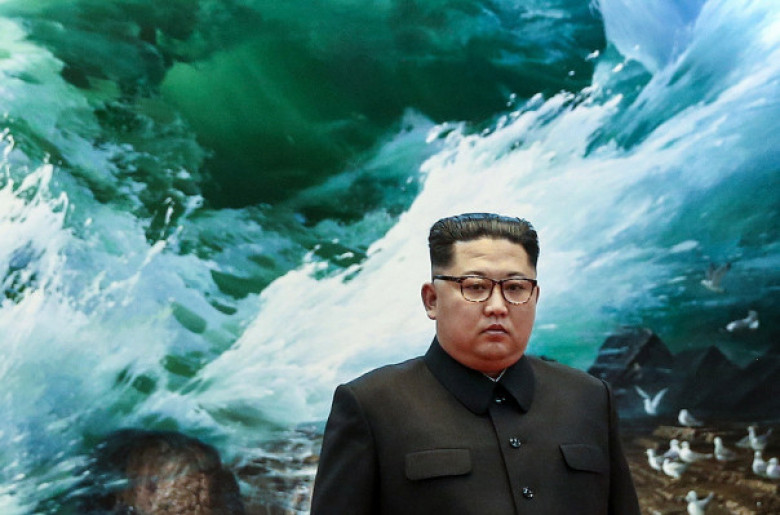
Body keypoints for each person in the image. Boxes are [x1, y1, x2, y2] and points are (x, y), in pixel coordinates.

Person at [310, 213, 640, 514]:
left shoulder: (589, 397)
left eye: (515, 288)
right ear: (431, 300)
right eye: (475, 287)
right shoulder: (373, 406)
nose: (497, 306)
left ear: (535, 297)